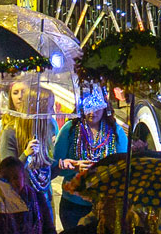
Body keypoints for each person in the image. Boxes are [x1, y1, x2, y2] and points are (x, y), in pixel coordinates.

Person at [53, 86, 125, 229]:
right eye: (88, 107)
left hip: (104, 207)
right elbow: (55, 167)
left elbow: (123, 166)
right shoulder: (70, 129)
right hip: (73, 206)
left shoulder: (116, 131)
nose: (92, 112)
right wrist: (75, 167)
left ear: (105, 107)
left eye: (97, 107)